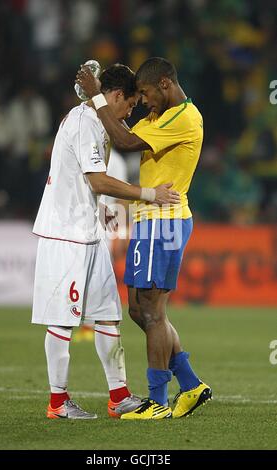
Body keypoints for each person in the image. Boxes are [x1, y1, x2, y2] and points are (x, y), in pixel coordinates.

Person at [32, 63, 179, 420]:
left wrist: (95, 91)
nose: (131, 113)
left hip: (90, 231)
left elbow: (125, 139)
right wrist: (149, 194)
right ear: (115, 96)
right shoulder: (84, 123)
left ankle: (119, 396)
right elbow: (98, 182)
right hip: (64, 231)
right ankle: (58, 402)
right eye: (129, 105)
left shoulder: (99, 117)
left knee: (108, 316)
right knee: (62, 321)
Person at [76, 57, 212, 420]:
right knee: (140, 309)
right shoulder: (161, 116)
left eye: (148, 94)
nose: (145, 102)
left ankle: (157, 402)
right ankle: (191, 383)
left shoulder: (184, 117)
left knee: (153, 312)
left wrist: (97, 98)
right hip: (149, 220)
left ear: (165, 84)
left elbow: (124, 141)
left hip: (164, 221)